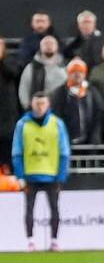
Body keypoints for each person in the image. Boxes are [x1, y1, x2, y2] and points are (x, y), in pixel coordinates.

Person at [11, 93, 69, 251]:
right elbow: (17, 151)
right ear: (32, 104)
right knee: (29, 208)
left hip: (51, 174)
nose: (40, 107)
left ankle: (54, 241)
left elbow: (64, 152)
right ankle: (31, 242)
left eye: (43, 103)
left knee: (54, 208)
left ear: (48, 104)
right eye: (37, 103)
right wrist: (20, 176)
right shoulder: (22, 124)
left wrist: (61, 176)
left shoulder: (57, 124)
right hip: (30, 174)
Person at [48, 59, 104, 147]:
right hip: (66, 142)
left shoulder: (92, 92)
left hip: (90, 143)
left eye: (81, 72)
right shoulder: (59, 93)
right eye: (74, 72)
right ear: (68, 74)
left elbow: (99, 113)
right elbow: (56, 116)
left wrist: (95, 135)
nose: (78, 74)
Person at [18, 36, 65, 107]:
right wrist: (28, 106)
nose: (49, 46)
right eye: (46, 43)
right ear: (40, 47)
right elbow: (24, 89)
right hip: (39, 109)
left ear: (57, 47)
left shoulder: (66, 66)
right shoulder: (31, 67)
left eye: (51, 43)